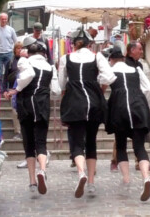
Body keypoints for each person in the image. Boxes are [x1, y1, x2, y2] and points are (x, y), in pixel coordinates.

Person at [58, 27, 116, 198]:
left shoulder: (65, 58)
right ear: (89, 45)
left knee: (76, 143)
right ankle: (91, 182)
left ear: (74, 45)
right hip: (94, 103)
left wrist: (65, 89)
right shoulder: (97, 56)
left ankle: (81, 172)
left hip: (74, 102)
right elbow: (109, 76)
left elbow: (61, 83)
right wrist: (99, 87)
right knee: (91, 142)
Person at [7, 37, 60, 194]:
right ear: (44, 53)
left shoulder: (25, 62)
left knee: (28, 143)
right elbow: (56, 90)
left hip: (26, 105)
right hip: (42, 105)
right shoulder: (50, 67)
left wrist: (16, 89)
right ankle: (42, 169)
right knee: (41, 142)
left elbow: (28, 75)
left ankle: (32, 181)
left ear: (28, 52)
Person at [106, 46, 150, 202]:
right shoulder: (136, 70)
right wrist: (147, 107)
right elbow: (148, 89)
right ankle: (146, 177)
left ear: (111, 60)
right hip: (138, 107)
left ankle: (126, 179)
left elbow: (102, 83)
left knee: (121, 146)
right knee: (139, 147)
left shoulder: (111, 71)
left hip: (119, 109)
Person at [0, 13, 18, 92]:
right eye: (2, 19)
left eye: (5, 19)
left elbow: (16, 42)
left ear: (7, 20)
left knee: (8, 71)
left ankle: (7, 87)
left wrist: (16, 53)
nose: (4, 21)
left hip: (9, 53)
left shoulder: (11, 30)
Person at [3, 41, 23, 140]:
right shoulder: (10, 62)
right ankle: (18, 131)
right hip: (13, 89)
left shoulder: (27, 61)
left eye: (21, 48)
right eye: (18, 48)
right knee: (15, 111)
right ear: (14, 50)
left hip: (24, 89)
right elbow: (5, 77)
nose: (19, 50)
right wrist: (5, 90)